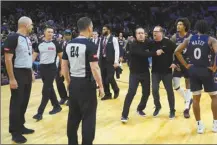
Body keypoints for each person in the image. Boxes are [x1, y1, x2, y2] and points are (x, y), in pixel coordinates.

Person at [61, 17, 104, 145]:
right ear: (90, 28)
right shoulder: (90, 44)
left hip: (73, 84)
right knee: (88, 118)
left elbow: (64, 66)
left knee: (73, 117)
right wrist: (101, 86)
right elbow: (95, 67)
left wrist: (68, 82)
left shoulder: (69, 44)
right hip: (87, 85)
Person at [175, 20, 217, 134]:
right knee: (214, 97)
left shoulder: (189, 39)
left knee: (196, 99)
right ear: (206, 28)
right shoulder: (211, 39)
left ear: (196, 28)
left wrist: (186, 65)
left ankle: (199, 125)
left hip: (193, 71)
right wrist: (214, 67)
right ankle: (215, 124)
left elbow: (177, 51)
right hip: (207, 71)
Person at [121, 27, 164, 123]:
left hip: (145, 72)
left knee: (147, 93)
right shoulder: (132, 45)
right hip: (134, 73)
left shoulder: (147, 42)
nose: (141, 35)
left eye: (142, 33)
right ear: (135, 35)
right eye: (138, 33)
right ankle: (124, 115)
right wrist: (155, 53)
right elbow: (142, 54)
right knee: (131, 93)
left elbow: (156, 43)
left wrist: (160, 38)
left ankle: (140, 108)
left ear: (145, 34)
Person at [4, 16, 35, 143]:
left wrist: (31, 72)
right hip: (18, 72)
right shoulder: (12, 37)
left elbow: (27, 57)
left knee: (24, 101)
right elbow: (7, 59)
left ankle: (21, 126)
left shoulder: (27, 39)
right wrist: (12, 78)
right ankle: (14, 132)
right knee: (16, 103)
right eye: (31, 24)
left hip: (27, 72)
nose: (33, 27)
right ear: (26, 25)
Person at [32, 26, 62, 121]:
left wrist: (62, 69)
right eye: (49, 32)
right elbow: (34, 56)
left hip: (52, 68)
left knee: (45, 90)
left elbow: (62, 57)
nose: (50, 33)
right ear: (44, 33)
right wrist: (29, 68)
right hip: (42, 68)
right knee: (49, 88)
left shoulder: (55, 43)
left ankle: (40, 112)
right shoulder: (39, 43)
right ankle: (57, 106)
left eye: (52, 32)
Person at [150, 26, 176, 119]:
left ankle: (172, 110)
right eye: (153, 31)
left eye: (156, 31)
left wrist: (174, 62)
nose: (154, 33)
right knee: (154, 90)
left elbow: (177, 52)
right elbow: (148, 53)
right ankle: (157, 106)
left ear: (161, 33)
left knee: (169, 91)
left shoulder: (168, 43)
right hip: (155, 72)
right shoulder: (151, 43)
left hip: (167, 72)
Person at [170, 18, 193, 118]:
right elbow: (171, 52)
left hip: (188, 64)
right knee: (175, 85)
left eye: (180, 24)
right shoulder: (174, 37)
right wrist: (173, 63)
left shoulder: (191, 37)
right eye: (177, 24)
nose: (178, 26)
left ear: (185, 26)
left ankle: (186, 107)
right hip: (178, 64)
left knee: (188, 84)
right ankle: (188, 99)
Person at [97, 25, 120, 100]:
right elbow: (99, 49)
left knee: (109, 78)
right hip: (102, 61)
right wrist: (97, 59)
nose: (103, 31)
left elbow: (117, 50)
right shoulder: (101, 39)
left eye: (104, 29)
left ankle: (116, 89)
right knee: (103, 78)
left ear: (109, 30)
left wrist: (116, 61)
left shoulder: (113, 39)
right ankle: (107, 94)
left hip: (110, 61)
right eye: (102, 29)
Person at [56, 29, 72, 106]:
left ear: (71, 35)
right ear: (64, 35)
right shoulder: (60, 43)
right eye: (66, 34)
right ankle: (63, 97)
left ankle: (71, 98)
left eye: (69, 34)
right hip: (61, 64)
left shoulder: (73, 43)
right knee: (58, 81)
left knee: (70, 82)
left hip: (71, 65)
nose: (67, 36)